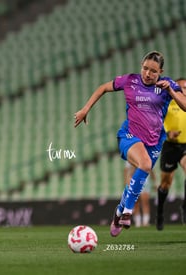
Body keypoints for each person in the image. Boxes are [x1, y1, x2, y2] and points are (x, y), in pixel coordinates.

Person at [74, 51, 186, 237]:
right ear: (141, 66)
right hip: (129, 136)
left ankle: (118, 212)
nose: (147, 74)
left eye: (153, 71)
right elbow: (103, 88)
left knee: (139, 177)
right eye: (145, 68)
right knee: (145, 165)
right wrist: (85, 109)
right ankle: (127, 212)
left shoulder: (167, 85)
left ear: (161, 72)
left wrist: (171, 92)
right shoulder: (130, 81)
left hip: (154, 141)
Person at [156, 78, 186, 230]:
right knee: (166, 183)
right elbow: (158, 123)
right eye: (181, 87)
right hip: (170, 146)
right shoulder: (168, 104)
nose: (184, 90)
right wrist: (168, 133)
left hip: (185, 146)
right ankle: (160, 211)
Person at [124, 161, 155, 227]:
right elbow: (127, 171)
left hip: (144, 180)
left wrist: (154, 181)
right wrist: (126, 182)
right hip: (133, 181)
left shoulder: (147, 156)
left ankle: (145, 222)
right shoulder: (129, 158)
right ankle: (138, 222)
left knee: (145, 202)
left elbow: (150, 169)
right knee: (135, 203)